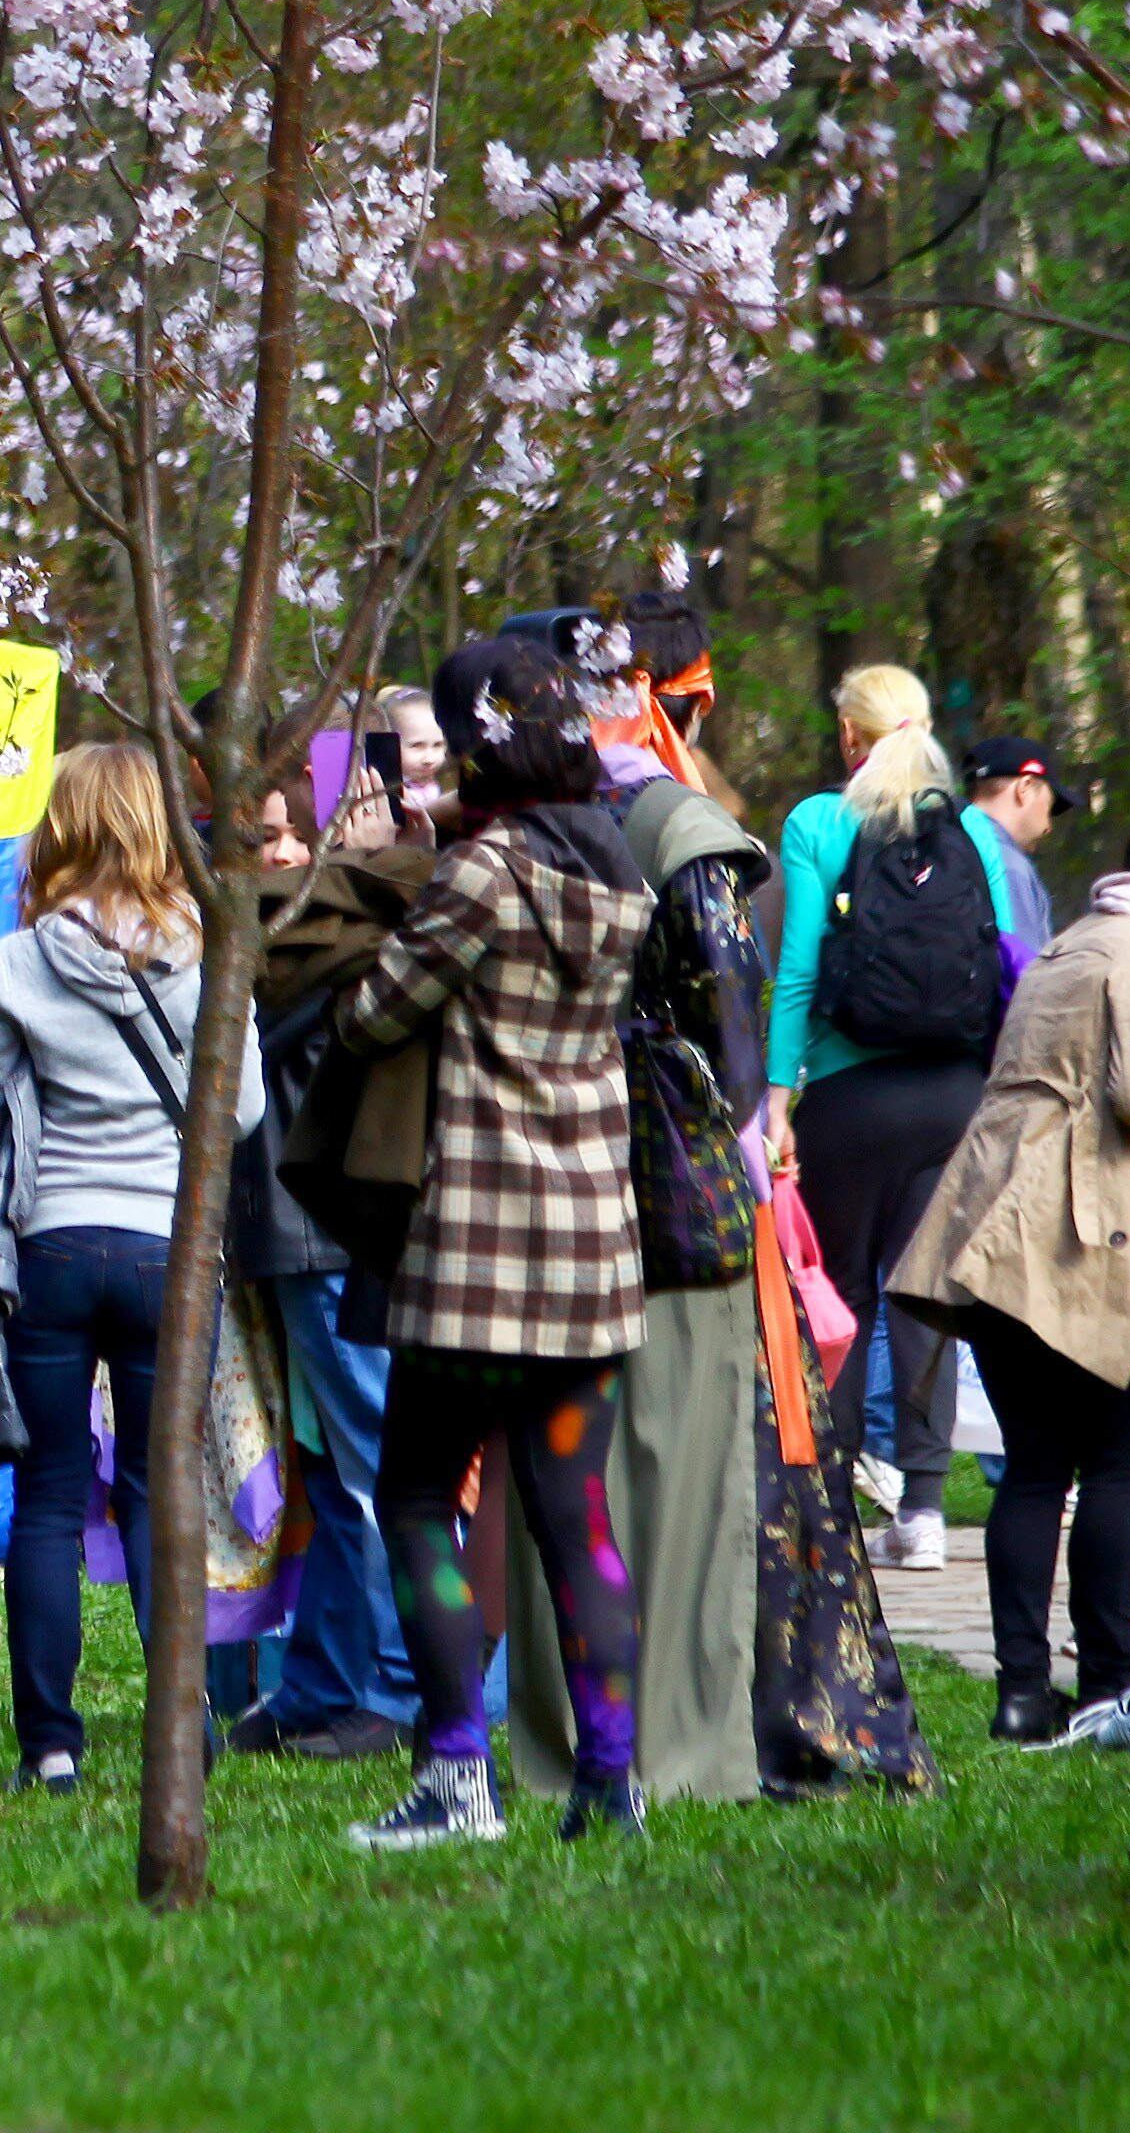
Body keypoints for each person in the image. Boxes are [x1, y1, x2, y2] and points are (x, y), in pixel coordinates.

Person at [330, 637, 652, 1848]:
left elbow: (374, 1015)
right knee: (577, 1515)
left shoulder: (485, 874)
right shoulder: (617, 874)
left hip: (474, 1253)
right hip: (589, 1249)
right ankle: (609, 1783)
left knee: (416, 1492)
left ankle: (458, 1772)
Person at [0, 743, 260, 1793]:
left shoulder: (21, 958)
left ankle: (50, 1744)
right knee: (157, 1494)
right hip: (165, 1253)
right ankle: (179, 1728)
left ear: (60, 827)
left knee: (47, 1503)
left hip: (48, 1247)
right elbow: (241, 1110)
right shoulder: (205, 948)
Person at [499, 600, 770, 1811]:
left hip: (533, 1182)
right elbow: (731, 993)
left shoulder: (507, 832)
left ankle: (575, 1749)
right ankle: (678, 1753)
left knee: (566, 1478)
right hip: (662, 1186)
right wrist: (751, 1130)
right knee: (676, 1467)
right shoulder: (673, 824)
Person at [887, 771, 1130, 1745]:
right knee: (1119, 1460)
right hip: (1080, 1230)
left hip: (991, 1216)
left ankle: (1022, 1692)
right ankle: (1111, 1680)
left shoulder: (1069, 941)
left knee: (1033, 1468)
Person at [768, 664, 1004, 1568]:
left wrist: (778, 1097)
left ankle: (825, 1494)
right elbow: (1003, 961)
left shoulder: (818, 824)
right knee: (926, 1298)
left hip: (845, 1093)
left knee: (843, 1292)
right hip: (951, 1095)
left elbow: (794, 972)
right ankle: (926, 1509)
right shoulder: (973, 828)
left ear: (848, 739)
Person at [233, 700, 428, 1764]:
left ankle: (397, 1687)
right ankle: (324, 1681)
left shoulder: (336, 929)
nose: (281, 853)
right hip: (309, 1231)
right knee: (335, 1468)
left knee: (369, 1465)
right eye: (260, 839)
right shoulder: (333, 919)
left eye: (290, 829)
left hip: (328, 1232)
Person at [961, 734, 1081, 966]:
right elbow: (1027, 979)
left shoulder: (943, 842)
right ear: (1024, 787)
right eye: (1049, 806)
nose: (1048, 827)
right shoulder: (1008, 866)